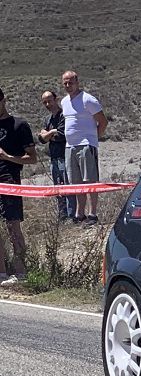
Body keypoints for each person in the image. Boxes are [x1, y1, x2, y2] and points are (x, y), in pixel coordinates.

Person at [61, 70, 107, 225]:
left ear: (77, 82)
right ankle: (79, 214)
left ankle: (92, 213)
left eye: (71, 82)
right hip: (70, 146)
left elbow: (103, 121)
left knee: (90, 180)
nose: (68, 85)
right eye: (65, 83)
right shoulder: (64, 102)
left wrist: (94, 139)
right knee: (76, 182)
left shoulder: (88, 99)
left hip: (86, 144)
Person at [0, 87, 35, 288]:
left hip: (10, 181)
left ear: (3, 100)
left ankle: (21, 273)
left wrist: (7, 157)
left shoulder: (19, 125)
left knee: (13, 226)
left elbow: (32, 158)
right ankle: (2, 273)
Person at [38, 89, 76, 221]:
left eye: (49, 100)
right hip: (53, 158)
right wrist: (51, 132)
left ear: (56, 99)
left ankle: (72, 215)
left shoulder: (63, 116)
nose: (48, 104)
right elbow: (41, 139)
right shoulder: (47, 119)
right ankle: (63, 215)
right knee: (58, 188)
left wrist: (51, 133)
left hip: (65, 156)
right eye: (45, 102)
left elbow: (61, 135)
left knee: (68, 186)